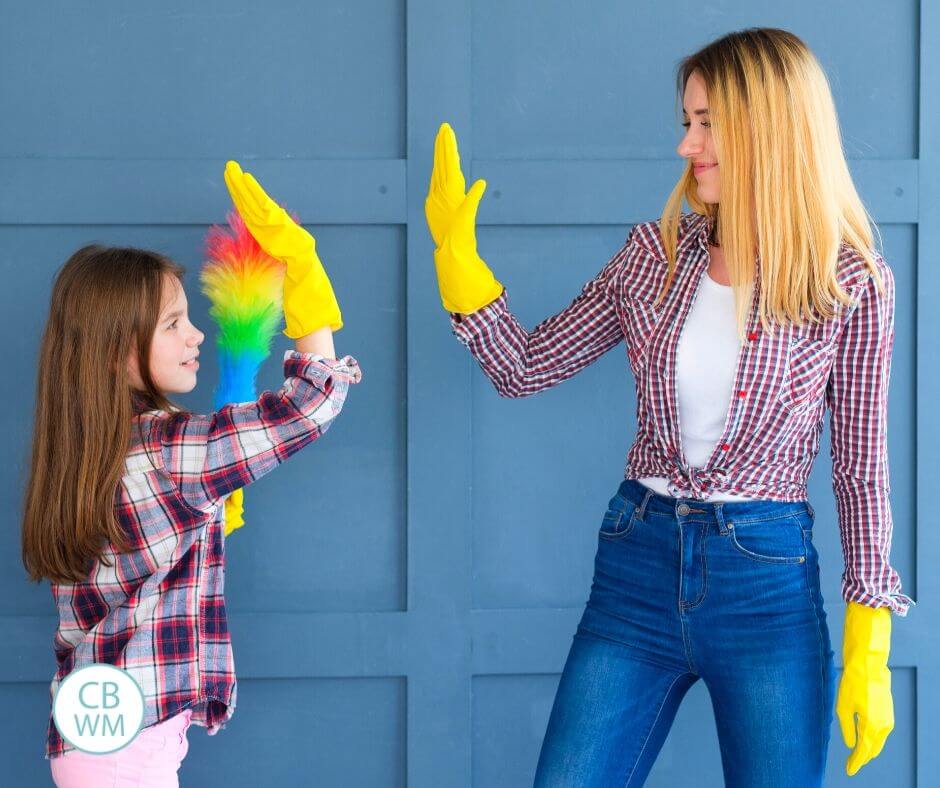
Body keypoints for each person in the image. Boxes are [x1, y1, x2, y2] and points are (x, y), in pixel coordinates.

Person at [425, 27, 913, 787]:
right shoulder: (653, 253)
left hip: (766, 586)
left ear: (771, 126)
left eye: (707, 123)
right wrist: (462, 273)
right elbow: (525, 367)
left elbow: (859, 467)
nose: (688, 146)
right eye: (686, 123)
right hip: (636, 568)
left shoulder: (850, 281)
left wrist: (871, 637)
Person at [21, 161, 362, 786]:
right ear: (116, 348)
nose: (196, 334)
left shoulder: (88, 453)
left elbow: (139, 573)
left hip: (92, 737)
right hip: (128, 751)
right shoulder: (164, 449)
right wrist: (306, 279)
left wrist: (199, 526)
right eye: (173, 323)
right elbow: (311, 403)